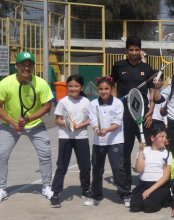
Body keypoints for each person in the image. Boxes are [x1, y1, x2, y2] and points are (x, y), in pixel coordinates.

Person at [0, 51, 54, 202]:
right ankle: (1, 188)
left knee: (45, 154)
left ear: (33, 66)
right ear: (16, 66)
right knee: (1, 155)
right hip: (9, 125)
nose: (26, 67)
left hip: (35, 124)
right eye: (23, 64)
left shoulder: (41, 83)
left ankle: (46, 186)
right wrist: (13, 123)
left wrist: (28, 119)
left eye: (29, 64)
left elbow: (47, 106)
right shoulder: (5, 83)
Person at [111, 36, 155, 194]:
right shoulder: (118, 66)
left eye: (137, 50)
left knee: (149, 149)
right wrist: (115, 106)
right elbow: (113, 87)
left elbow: (151, 91)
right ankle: (125, 189)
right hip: (125, 115)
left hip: (143, 115)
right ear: (127, 50)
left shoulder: (147, 68)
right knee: (125, 152)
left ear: (140, 50)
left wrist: (150, 110)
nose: (134, 52)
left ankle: (149, 184)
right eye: (131, 50)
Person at [83, 77, 129, 207]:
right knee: (97, 169)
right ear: (98, 90)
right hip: (99, 142)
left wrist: (107, 130)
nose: (104, 91)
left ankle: (125, 194)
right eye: (101, 89)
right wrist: (97, 129)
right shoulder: (93, 104)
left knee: (118, 168)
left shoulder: (118, 103)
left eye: (107, 89)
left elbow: (117, 123)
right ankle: (96, 195)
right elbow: (92, 120)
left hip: (116, 141)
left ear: (112, 89)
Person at [49, 75, 92, 208]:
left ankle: (86, 189)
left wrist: (81, 125)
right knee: (62, 166)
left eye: (76, 86)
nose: (73, 88)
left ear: (81, 87)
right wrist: (67, 124)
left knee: (85, 166)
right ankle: (56, 193)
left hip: (81, 137)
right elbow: (57, 119)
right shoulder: (63, 102)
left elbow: (91, 119)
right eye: (70, 86)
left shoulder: (86, 101)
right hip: (65, 138)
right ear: (67, 87)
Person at [130, 127, 173, 213]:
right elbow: (139, 169)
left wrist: (150, 190)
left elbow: (166, 177)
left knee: (149, 207)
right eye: (161, 136)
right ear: (152, 138)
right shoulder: (144, 151)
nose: (164, 139)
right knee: (134, 206)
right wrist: (141, 150)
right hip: (143, 184)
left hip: (159, 186)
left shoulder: (167, 153)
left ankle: (166, 197)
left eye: (165, 137)